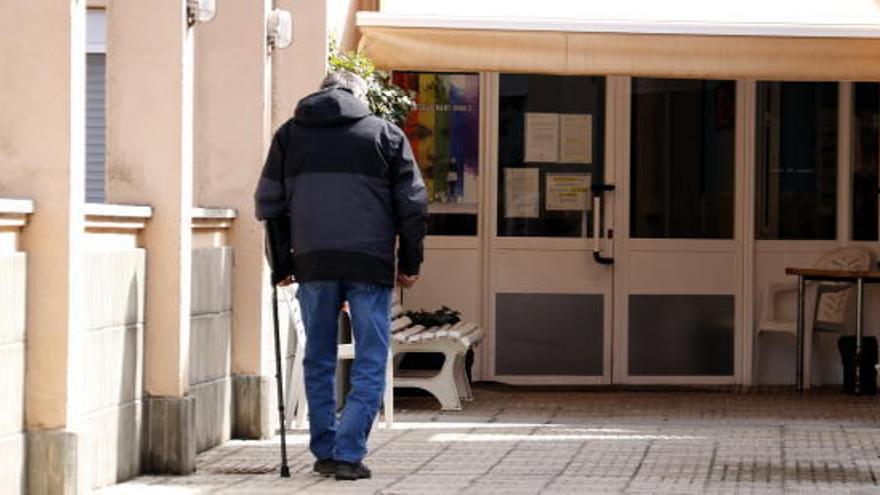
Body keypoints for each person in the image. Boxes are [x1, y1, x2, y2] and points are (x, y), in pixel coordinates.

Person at [254, 70, 427, 481]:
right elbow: (413, 205)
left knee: (317, 356)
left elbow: (270, 204)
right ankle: (349, 453)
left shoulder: (290, 135)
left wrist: (282, 265)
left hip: (314, 263)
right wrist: (410, 263)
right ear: (360, 95)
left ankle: (326, 450)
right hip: (370, 263)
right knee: (370, 357)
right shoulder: (384, 135)